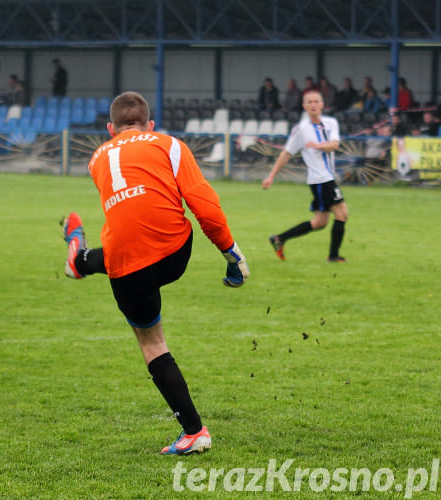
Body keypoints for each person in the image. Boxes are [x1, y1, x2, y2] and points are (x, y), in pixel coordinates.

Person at [60, 91, 249, 455]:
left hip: (127, 267)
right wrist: (230, 251)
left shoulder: (96, 158)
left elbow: (128, 216)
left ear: (110, 128)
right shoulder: (169, 144)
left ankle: (194, 431)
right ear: (150, 124)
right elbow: (204, 205)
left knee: (151, 342)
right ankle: (79, 261)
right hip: (174, 253)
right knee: (164, 227)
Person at [262, 90, 348, 263]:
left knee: (320, 222)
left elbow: (335, 145)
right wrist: (271, 176)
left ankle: (279, 238)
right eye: (309, 102)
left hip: (326, 178)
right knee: (342, 213)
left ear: (322, 104)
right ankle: (333, 256)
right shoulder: (301, 129)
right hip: (320, 180)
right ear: (304, 106)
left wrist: (318, 145)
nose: (313, 104)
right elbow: (286, 153)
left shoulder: (331, 122)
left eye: (316, 101)